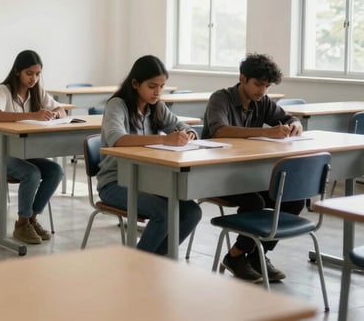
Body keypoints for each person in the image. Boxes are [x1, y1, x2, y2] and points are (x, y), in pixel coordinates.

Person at [202, 53, 304, 283]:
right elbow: (219, 130)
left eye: (267, 86)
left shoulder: (262, 102)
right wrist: (266, 132)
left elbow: (289, 117)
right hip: (216, 174)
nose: (262, 91)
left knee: (293, 198)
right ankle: (238, 257)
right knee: (255, 202)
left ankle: (256, 254)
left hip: (248, 173)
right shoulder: (220, 98)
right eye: (258, 84)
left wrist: (295, 124)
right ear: (242, 78)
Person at [96, 55, 202, 256]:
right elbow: (117, 139)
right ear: (135, 84)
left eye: (162, 86)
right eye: (152, 86)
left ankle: (157, 261)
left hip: (148, 181)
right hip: (115, 183)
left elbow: (183, 126)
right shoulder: (117, 105)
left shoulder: (157, 107)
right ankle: (137, 267)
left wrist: (188, 134)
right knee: (163, 213)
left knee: (192, 212)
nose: (158, 92)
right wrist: (164, 140)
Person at [0, 50, 66, 245]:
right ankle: (21, 224)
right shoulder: (3, 90)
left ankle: (31, 219)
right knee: (32, 173)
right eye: (29, 73)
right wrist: (32, 116)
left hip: (24, 154)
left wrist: (53, 114)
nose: (34, 78)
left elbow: (61, 109)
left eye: (38, 74)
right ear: (17, 72)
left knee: (56, 171)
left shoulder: (37, 91)